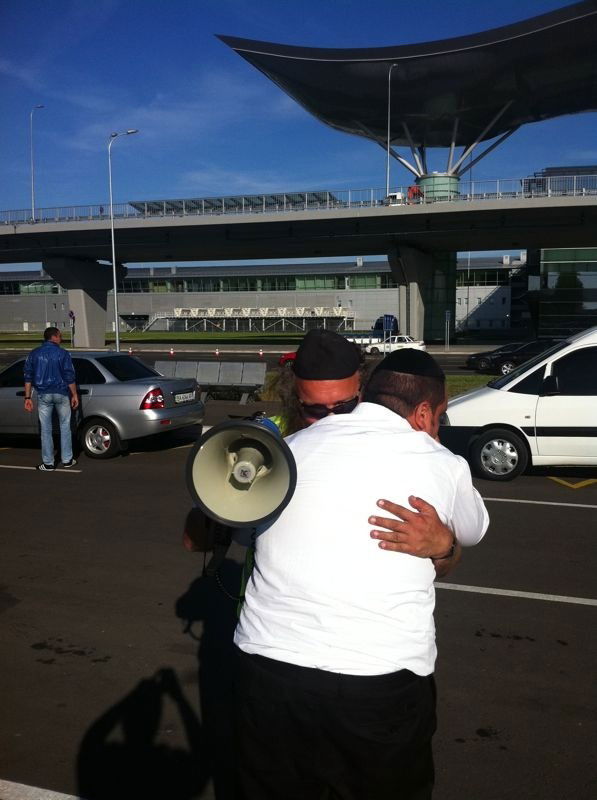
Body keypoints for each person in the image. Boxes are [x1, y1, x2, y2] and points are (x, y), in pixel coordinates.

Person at [234, 348, 489, 800]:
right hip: (379, 682)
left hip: (268, 674)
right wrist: (445, 543)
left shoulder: (288, 449)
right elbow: (473, 530)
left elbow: (244, 532)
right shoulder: (442, 463)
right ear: (426, 411)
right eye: (440, 418)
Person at [23, 326, 79, 471]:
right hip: (61, 393)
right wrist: (74, 394)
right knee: (65, 427)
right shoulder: (63, 353)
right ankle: (67, 459)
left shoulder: (34, 354)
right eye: (59, 336)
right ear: (53, 337)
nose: (61, 338)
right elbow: (69, 376)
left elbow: (28, 376)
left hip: (43, 394)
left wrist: (27, 397)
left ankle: (48, 463)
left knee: (46, 430)